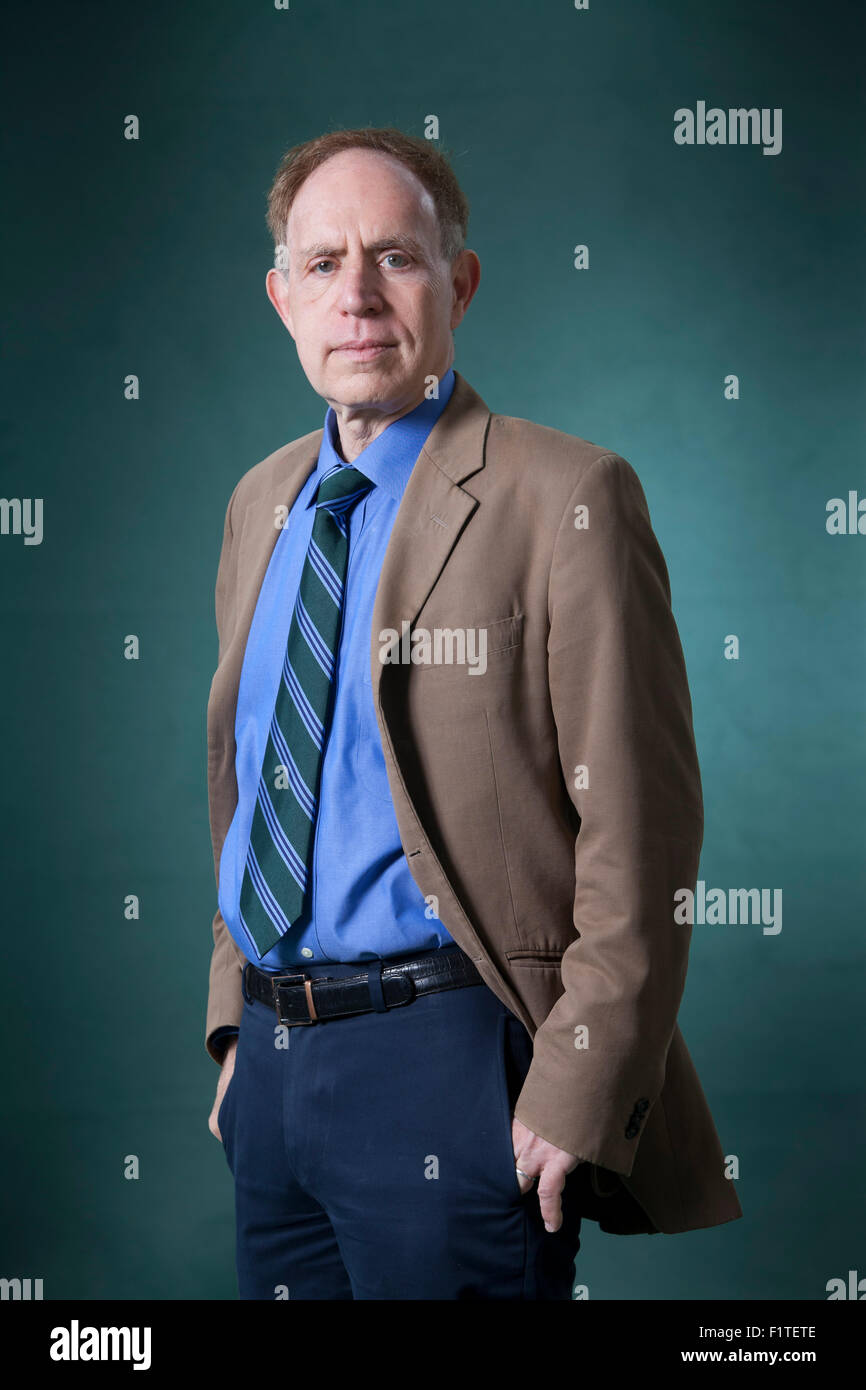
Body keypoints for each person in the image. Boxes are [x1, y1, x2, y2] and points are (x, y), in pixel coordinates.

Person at [203, 126, 743, 1301]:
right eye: (322, 262)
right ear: (280, 296)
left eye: (393, 257)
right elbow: (253, 780)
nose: (355, 294)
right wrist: (234, 1029)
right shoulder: (260, 506)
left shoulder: (566, 498)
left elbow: (642, 836)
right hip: (277, 1075)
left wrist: (576, 1080)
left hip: (451, 1059)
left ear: (460, 280)